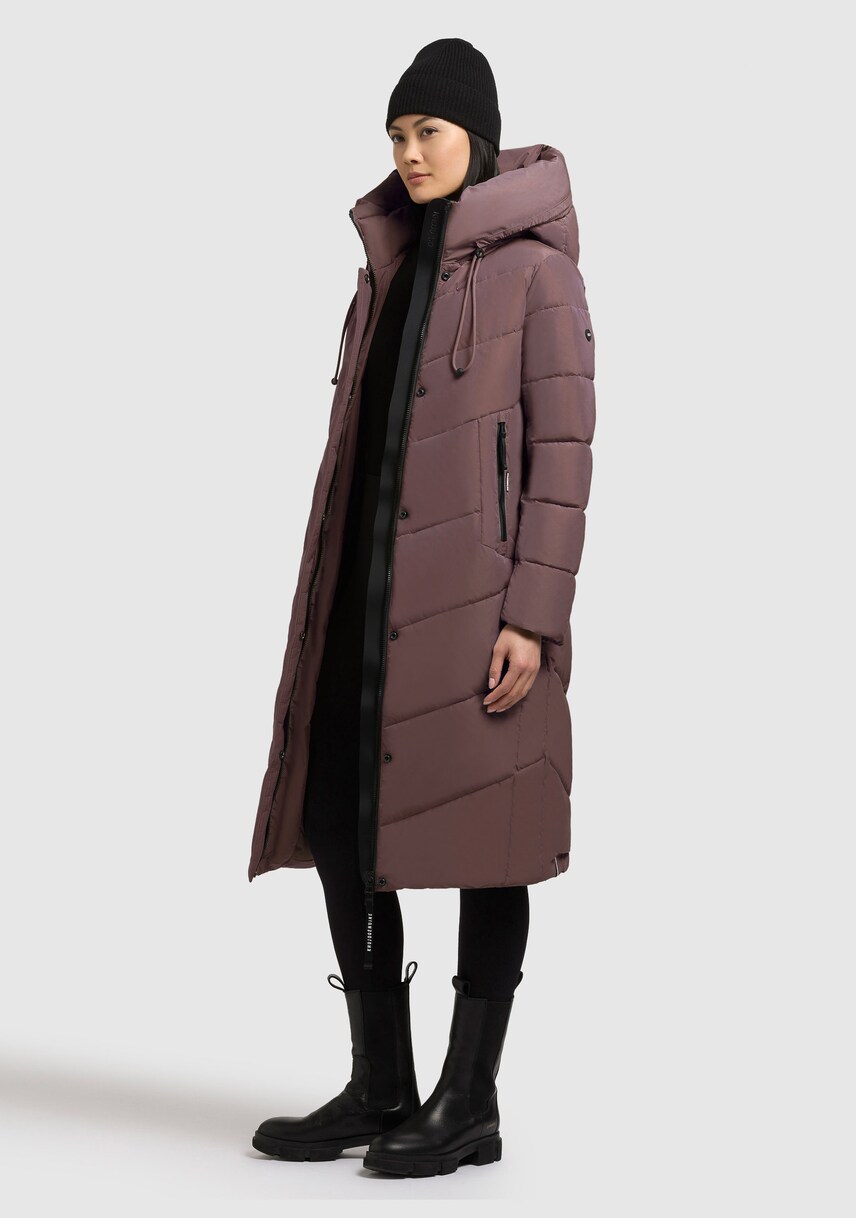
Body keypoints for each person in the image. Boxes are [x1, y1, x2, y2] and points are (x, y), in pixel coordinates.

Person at [249, 37, 596, 1177]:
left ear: (475, 139)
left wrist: (533, 615)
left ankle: (469, 1099)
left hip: (482, 607)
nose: (408, 154)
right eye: (396, 136)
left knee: (493, 838)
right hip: (368, 594)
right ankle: (382, 1081)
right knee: (343, 820)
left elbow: (563, 457)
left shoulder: (538, 274)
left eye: (427, 133)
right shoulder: (388, 268)